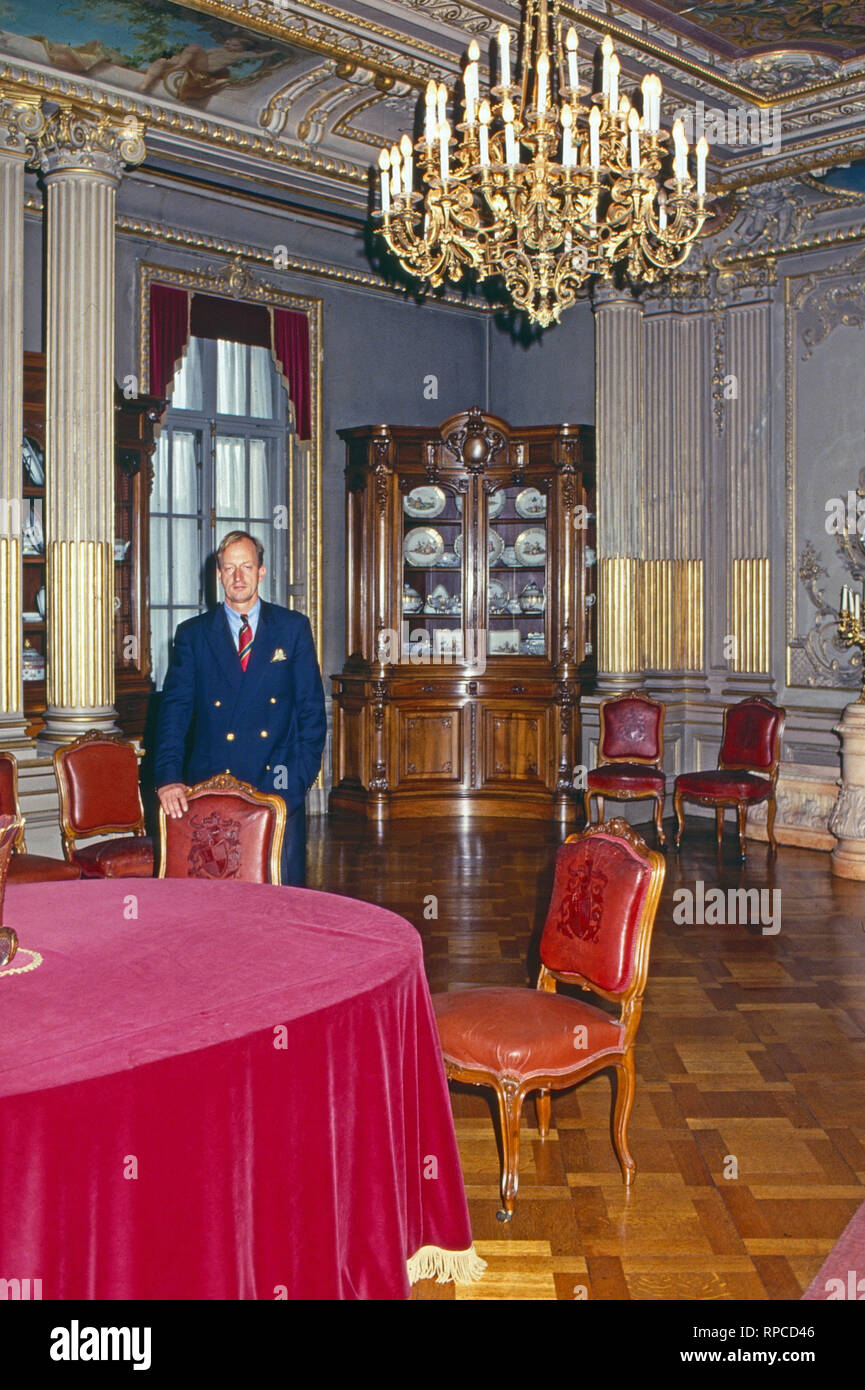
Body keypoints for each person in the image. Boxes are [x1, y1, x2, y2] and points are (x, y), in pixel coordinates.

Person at [155, 530, 326, 886]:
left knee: (281, 899)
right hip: (212, 789)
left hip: (275, 787)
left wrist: (296, 781)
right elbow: (174, 712)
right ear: (218, 574)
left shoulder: (292, 629)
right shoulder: (193, 634)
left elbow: (311, 712)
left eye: (246, 566)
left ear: (261, 571)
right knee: (214, 902)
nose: (238, 577)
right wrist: (169, 777)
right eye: (229, 568)